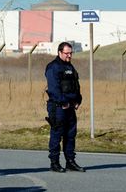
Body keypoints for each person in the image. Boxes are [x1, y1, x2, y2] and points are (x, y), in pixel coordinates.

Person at [45, 41, 85, 173]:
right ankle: (54, 163)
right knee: (57, 134)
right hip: (58, 108)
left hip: (70, 107)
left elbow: (76, 86)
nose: (69, 56)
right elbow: (54, 89)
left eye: (71, 53)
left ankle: (70, 161)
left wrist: (78, 100)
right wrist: (64, 102)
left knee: (70, 135)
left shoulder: (71, 67)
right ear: (59, 52)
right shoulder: (53, 67)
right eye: (66, 53)